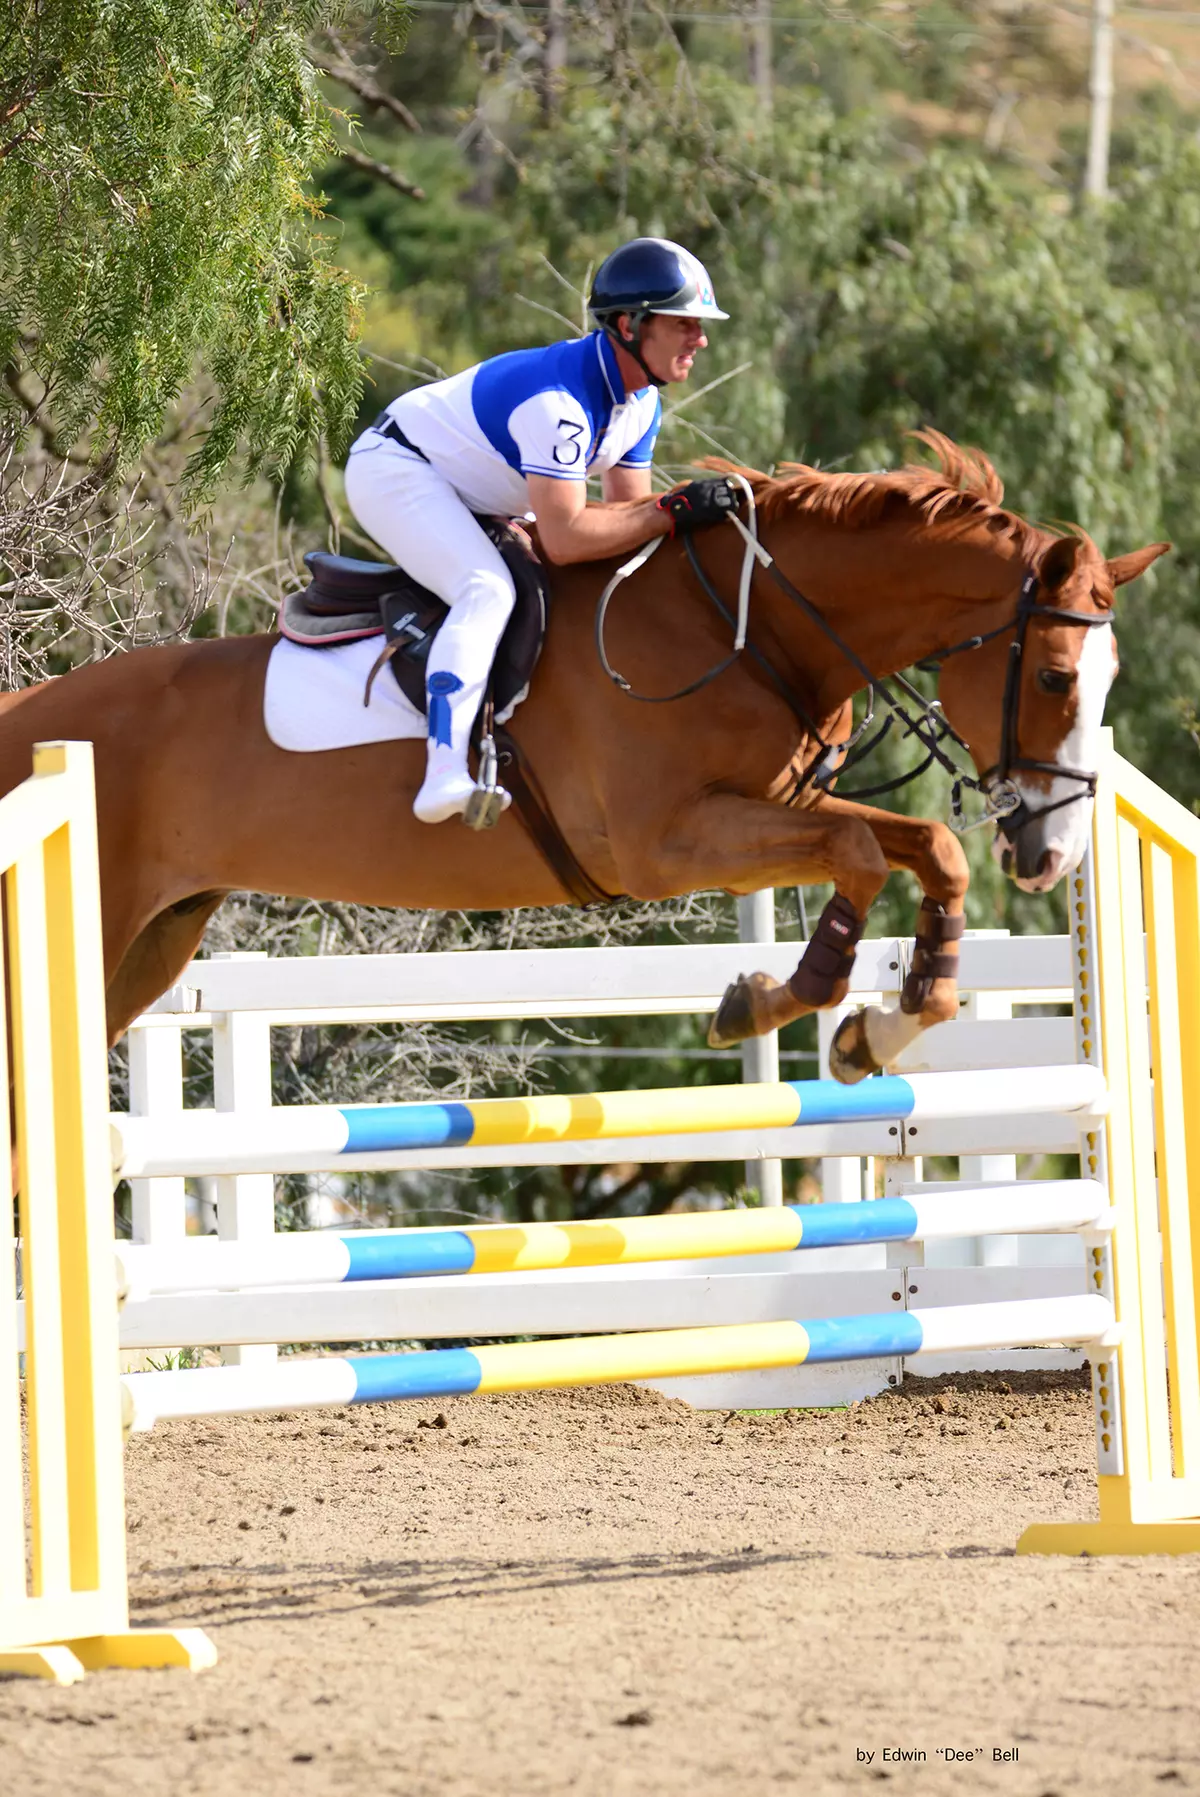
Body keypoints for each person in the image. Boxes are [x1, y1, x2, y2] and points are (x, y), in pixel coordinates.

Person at [343, 236, 738, 826]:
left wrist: (675, 514)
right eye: (684, 324)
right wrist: (674, 508)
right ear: (630, 325)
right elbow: (570, 538)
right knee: (487, 589)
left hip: (473, 487)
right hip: (397, 470)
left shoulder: (641, 404)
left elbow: (626, 519)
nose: (700, 339)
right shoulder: (560, 405)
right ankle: (444, 773)